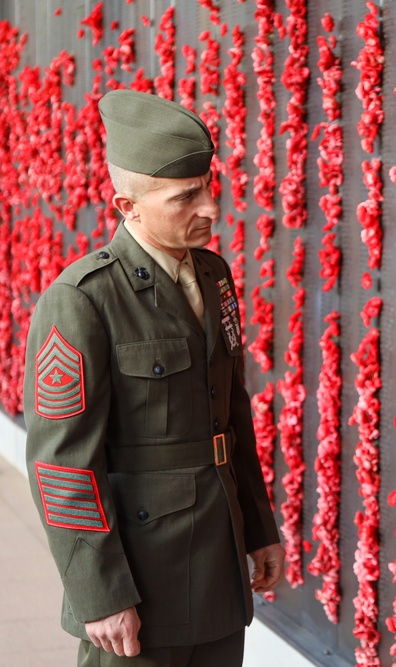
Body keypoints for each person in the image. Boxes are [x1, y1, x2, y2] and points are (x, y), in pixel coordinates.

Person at [23, 89, 284, 666]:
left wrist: (259, 527)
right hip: (138, 582)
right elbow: (62, 463)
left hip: (217, 563)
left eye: (209, 187)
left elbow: (229, 412)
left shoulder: (213, 276)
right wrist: (100, 593)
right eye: (185, 197)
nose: (210, 207)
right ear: (127, 205)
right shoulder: (83, 300)